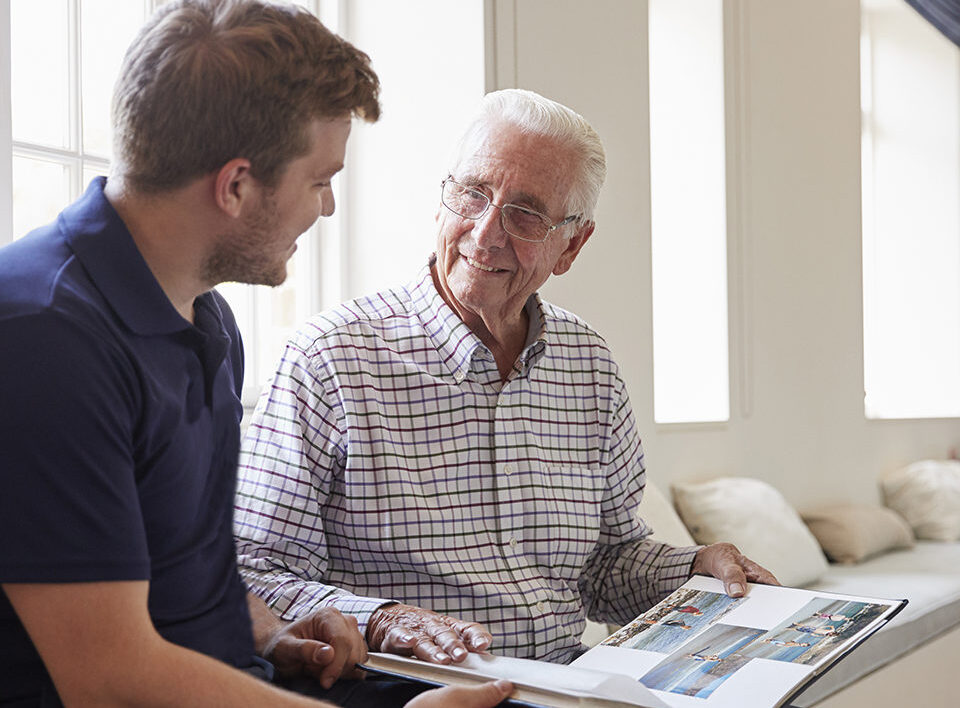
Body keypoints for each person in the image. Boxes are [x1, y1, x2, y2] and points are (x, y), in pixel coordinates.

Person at [0, 1, 511, 707]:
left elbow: (183, 572)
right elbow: (108, 678)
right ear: (236, 185)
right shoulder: (39, 338)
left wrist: (271, 633)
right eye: (320, 180)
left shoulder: (205, 317)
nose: (327, 209)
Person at [235, 88, 779, 667]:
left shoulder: (589, 366)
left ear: (571, 244)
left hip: (567, 684)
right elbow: (254, 572)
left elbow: (605, 565)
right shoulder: (330, 358)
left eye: (524, 213)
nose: (485, 232)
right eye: (472, 194)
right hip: (411, 687)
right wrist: (382, 620)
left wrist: (693, 567)